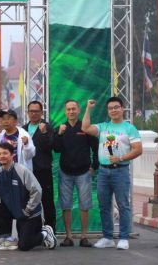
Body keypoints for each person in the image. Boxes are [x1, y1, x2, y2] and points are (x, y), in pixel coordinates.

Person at [81, 97, 143, 250]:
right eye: (110, 108)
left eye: (116, 107)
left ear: (122, 108)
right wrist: (88, 108)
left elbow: (138, 149)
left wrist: (121, 158)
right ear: (108, 111)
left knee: (123, 205)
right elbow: (85, 128)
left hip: (120, 171)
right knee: (104, 206)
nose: (113, 110)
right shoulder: (103, 127)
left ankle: (123, 237)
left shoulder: (129, 128)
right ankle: (107, 237)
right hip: (103, 171)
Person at [0, 142, 56, 251]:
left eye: (5, 153)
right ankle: (7, 238)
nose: (2, 156)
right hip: (17, 213)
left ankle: (45, 233)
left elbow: (37, 190)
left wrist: (28, 209)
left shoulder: (22, 170)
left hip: (30, 213)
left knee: (24, 246)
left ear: (12, 155)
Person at [53, 99, 99, 247]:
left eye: (74, 109)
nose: (71, 111)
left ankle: (84, 237)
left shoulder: (85, 127)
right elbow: (56, 149)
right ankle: (69, 236)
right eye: (68, 109)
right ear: (65, 112)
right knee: (66, 205)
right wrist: (59, 134)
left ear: (79, 110)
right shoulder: (61, 128)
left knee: (84, 205)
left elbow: (96, 148)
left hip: (83, 173)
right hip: (65, 173)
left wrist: (94, 166)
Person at [22, 101, 56, 229]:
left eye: (36, 111)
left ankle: (50, 230)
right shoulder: (23, 129)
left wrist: (44, 133)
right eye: (31, 111)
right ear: (28, 112)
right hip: (27, 172)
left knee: (47, 201)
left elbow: (51, 146)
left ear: (42, 112)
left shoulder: (47, 127)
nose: (34, 114)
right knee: (28, 202)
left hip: (43, 170)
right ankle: (32, 231)